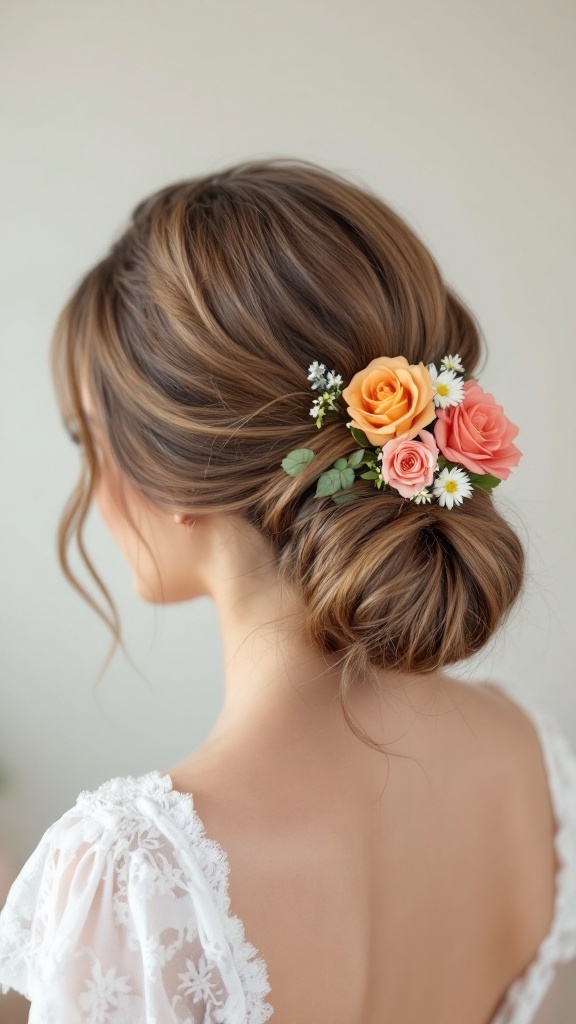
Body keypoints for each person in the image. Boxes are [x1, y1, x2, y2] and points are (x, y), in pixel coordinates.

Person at [0, 158, 574, 1024]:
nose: (95, 486)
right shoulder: (532, 762)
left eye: (92, 436)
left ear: (184, 471)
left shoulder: (132, 872)